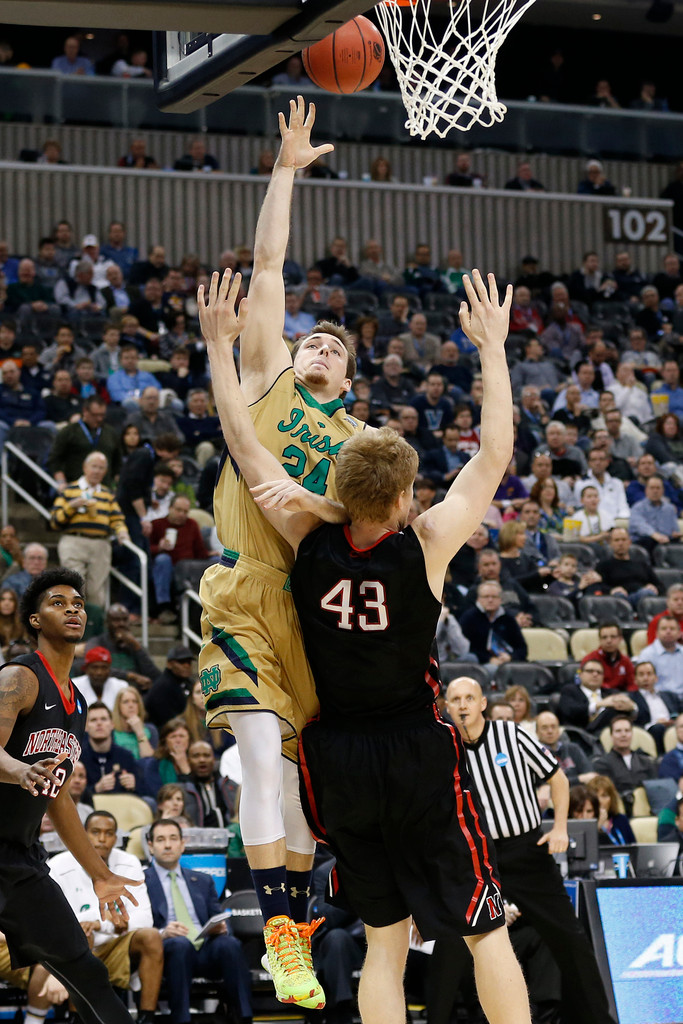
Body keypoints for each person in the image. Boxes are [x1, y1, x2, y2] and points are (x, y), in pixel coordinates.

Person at [199, 263, 533, 1023]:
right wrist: (490, 349)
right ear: (404, 496)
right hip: (415, 749)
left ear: (339, 490)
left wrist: (219, 351)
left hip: (338, 758)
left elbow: (243, 441)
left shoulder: (305, 535)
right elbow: (493, 456)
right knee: (483, 931)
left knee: (382, 940)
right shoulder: (427, 543)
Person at [195, 98, 369, 1007]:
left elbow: (371, 530)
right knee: (260, 759)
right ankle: (275, 928)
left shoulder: (364, 447)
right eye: (312, 336)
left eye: (335, 346)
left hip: (311, 611)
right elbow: (268, 264)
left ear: (350, 379)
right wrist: (285, 170)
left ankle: (291, 938)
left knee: (299, 794)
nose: (319, 345)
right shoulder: (264, 378)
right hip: (241, 592)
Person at [0, 567, 142, 1023]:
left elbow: (58, 799)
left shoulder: (77, 704)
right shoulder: (19, 679)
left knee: (84, 970)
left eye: (78, 602)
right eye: (58, 603)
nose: (72, 609)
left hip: (19, 858)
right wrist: (21, 770)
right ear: (36, 620)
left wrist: (100, 876)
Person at [440, 677, 615, 1024]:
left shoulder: (513, 735)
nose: (462, 705)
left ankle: (596, 1019)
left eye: (469, 698)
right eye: (455, 699)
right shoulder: (443, 748)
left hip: (526, 850)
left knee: (569, 937)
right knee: (454, 944)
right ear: (446, 707)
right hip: (478, 858)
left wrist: (561, 827)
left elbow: (558, 778)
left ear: (482, 703)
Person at [48, 809, 162, 1021]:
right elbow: (56, 920)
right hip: (77, 947)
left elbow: (145, 919)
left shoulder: (129, 863)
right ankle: (77, 1017)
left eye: (109, 833)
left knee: (151, 936)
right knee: (82, 934)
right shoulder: (57, 865)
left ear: (116, 838)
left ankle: (147, 1017)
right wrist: (99, 921)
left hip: (116, 944)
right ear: (83, 834)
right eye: (95, 832)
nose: (102, 839)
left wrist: (102, 924)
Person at [145, 818, 253, 1024]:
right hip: (167, 951)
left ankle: (244, 1017)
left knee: (229, 944)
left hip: (205, 947)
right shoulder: (142, 882)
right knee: (179, 944)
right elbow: (138, 927)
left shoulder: (202, 880)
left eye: (173, 838)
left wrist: (221, 928)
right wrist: (163, 932)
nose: (167, 845)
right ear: (150, 846)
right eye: (160, 839)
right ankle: (181, 1019)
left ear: (182, 844)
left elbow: (218, 915)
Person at [50, 452, 129, 608]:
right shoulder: (69, 490)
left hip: (100, 544)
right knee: (74, 587)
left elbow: (117, 519)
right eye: (94, 466)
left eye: (101, 468)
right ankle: (70, 627)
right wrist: (71, 507)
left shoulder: (107, 494)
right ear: (85, 468)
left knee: (95, 592)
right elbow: (54, 522)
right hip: (74, 541)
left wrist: (122, 532)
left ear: (105, 472)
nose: (97, 471)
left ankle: (93, 629)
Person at [86, 604, 160, 691]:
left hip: (133, 693)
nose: (121, 624)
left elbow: (155, 675)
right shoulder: (97, 642)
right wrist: (131, 676)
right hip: (106, 691)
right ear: (107, 623)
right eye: (116, 620)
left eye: (125, 620)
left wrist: (136, 646)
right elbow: (93, 669)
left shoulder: (134, 644)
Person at [592, 716, 657, 814]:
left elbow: (655, 788)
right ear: (611, 735)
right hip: (618, 812)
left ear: (632, 734)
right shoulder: (602, 764)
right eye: (618, 731)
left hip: (647, 809)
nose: (623, 735)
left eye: (627, 731)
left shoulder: (646, 762)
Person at [459, 581, 528, 668]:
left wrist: (511, 657)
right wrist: (489, 659)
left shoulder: (508, 619)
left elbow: (522, 648)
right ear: (478, 599)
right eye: (486, 597)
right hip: (478, 665)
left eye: (494, 597)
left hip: (507, 663)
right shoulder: (468, 618)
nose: (490, 600)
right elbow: (464, 649)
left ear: (501, 599)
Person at [557, 658, 637, 733]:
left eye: (599, 672)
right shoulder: (569, 690)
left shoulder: (611, 693)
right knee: (611, 710)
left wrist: (632, 707)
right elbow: (571, 711)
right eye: (590, 671)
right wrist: (599, 704)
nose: (595, 674)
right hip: (582, 733)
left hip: (610, 734)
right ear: (580, 674)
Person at [80, 702, 140, 796]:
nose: (99, 723)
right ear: (86, 727)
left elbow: (144, 792)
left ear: (112, 724)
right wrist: (96, 789)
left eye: (104, 719)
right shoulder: (78, 758)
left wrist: (134, 786)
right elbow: (72, 795)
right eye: (93, 720)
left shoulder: (126, 756)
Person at [536, 711, 595, 786]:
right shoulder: (535, 754)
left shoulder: (573, 748)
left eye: (553, 727)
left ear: (559, 730)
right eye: (544, 728)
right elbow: (546, 786)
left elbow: (591, 776)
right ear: (537, 732)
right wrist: (579, 779)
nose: (550, 731)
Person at [144, 646, 196, 728]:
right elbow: (165, 719)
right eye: (181, 662)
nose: (186, 665)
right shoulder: (162, 687)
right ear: (169, 664)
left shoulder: (188, 683)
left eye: (189, 662)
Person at [636, 615, 683, 699]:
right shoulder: (647, 654)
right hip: (660, 699)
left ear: (679, 633)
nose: (668, 632)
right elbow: (642, 684)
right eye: (664, 629)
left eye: (672, 629)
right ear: (656, 633)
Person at [583, 622, 635, 692]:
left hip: (621, 697)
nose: (609, 641)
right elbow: (587, 684)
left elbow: (632, 684)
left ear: (620, 639)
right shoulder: (590, 660)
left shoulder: (626, 661)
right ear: (600, 640)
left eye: (613, 637)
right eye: (604, 637)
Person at [586, 775, 636, 845]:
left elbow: (634, 848)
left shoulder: (621, 819)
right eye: (595, 796)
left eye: (604, 796)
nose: (600, 801)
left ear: (611, 798)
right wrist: (598, 826)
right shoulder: (587, 822)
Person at [112, 686, 157, 759]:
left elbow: (148, 758)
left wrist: (140, 732)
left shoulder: (150, 730)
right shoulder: (112, 731)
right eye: (126, 702)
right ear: (118, 707)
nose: (131, 705)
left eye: (135, 701)